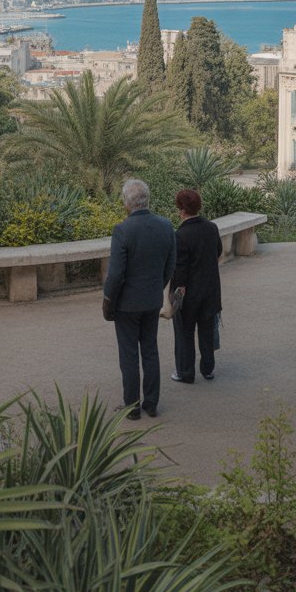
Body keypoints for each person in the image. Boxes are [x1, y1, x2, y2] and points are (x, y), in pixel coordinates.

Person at [102, 178, 176, 421]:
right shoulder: (166, 226)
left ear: (126, 203)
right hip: (151, 300)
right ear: (147, 200)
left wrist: (108, 300)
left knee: (129, 354)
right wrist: (157, 287)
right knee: (150, 351)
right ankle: (151, 403)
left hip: (127, 305)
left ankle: (132, 406)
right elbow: (170, 265)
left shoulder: (122, 230)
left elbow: (115, 275)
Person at [169, 188, 222, 384]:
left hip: (188, 293)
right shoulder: (211, 228)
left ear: (182, 210)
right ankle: (208, 369)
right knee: (207, 331)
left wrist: (179, 290)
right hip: (210, 290)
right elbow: (218, 251)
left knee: (184, 333)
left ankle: (185, 372)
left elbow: (180, 268)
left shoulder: (181, 235)